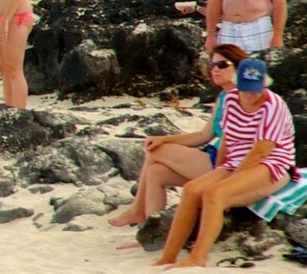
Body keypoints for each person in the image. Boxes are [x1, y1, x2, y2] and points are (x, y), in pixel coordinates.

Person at [155, 58, 296, 269]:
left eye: (254, 90)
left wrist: (229, 182)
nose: (248, 95)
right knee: (192, 189)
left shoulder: (274, 105)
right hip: (237, 161)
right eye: (244, 90)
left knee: (215, 194)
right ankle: (168, 256)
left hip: (271, 162)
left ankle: (198, 258)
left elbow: (261, 151)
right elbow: (226, 141)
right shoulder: (230, 99)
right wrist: (220, 170)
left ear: (264, 85)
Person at [107, 44, 252, 227]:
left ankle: (137, 210)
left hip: (228, 164)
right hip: (212, 155)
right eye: (212, 65)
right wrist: (166, 138)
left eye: (222, 65)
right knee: (156, 172)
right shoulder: (223, 96)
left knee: (157, 151)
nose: (215, 70)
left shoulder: (244, 96)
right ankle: (152, 229)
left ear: (239, 66)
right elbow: (204, 135)